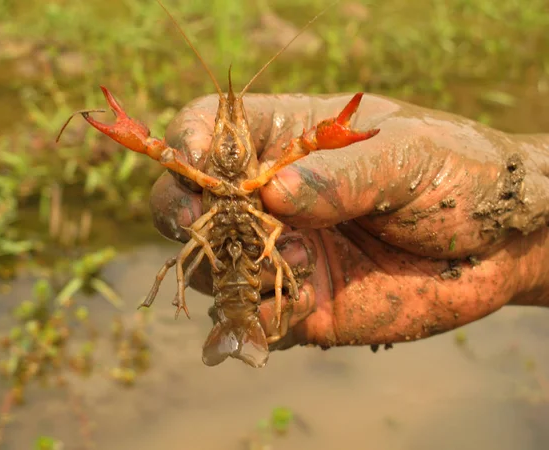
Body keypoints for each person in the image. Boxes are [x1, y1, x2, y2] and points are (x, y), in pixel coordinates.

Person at [149, 92, 549, 352]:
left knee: (230, 239)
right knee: (188, 241)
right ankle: (234, 314)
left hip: (257, 244)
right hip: (239, 258)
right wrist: (521, 262)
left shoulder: (270, 180)